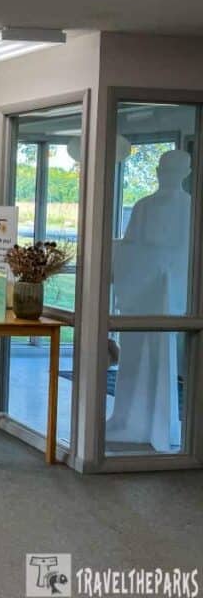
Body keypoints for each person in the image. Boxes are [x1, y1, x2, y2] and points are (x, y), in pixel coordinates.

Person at [109, 149, 191, 452]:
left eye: (173, 171)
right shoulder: (144, 206)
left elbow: (186, 253)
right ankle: (128, 419)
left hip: (169, 294)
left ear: (186, 174)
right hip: (141, 292)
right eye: (163, 170)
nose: (166, 176)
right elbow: (130, 247)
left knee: (162, 357)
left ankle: (159, 425)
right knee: (133, 356)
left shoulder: (191, 208)